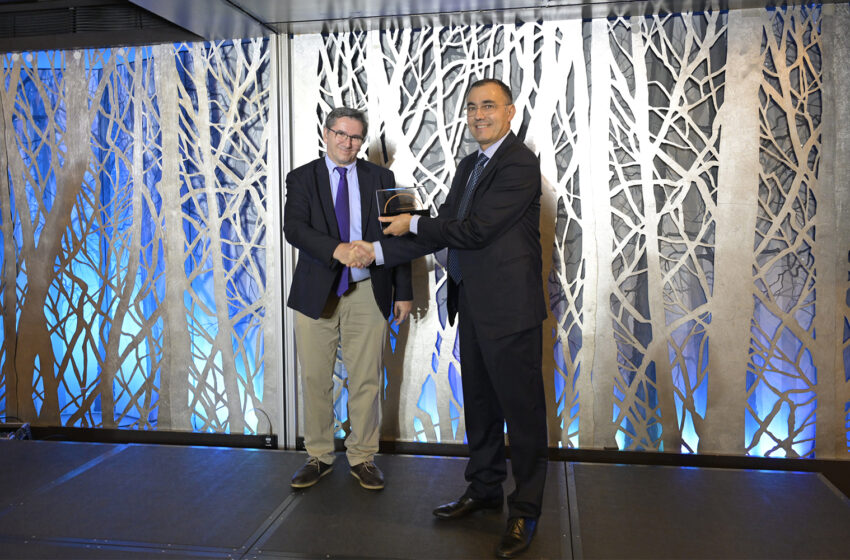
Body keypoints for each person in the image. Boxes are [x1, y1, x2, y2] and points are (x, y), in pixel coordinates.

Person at [354, 79, 548, 558]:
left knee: (522, 415)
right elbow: (446, 227)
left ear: (510, 112)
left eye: (489, 106)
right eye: (472, 107)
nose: (478, 115)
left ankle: (525, 510)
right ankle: (484, 489)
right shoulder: (469, 165)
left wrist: (414, 223)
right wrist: (379, 249)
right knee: (480, 405)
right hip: (474, 304)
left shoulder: (519, 163)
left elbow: (476, 230)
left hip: (511, 310)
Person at [284, 107, 413, 491]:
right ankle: (319, 456)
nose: (347, 142)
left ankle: (363, 457)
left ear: (362, 141)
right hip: (316, 292)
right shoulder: (301, 177)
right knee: (315, 377)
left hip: (369, 290)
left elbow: (399, 236)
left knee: (367, 379)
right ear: (326, 133)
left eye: (355, 137)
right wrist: (337, 250)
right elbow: (295, 228)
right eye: (340, 134)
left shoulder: (383, 178)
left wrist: (404, 292)